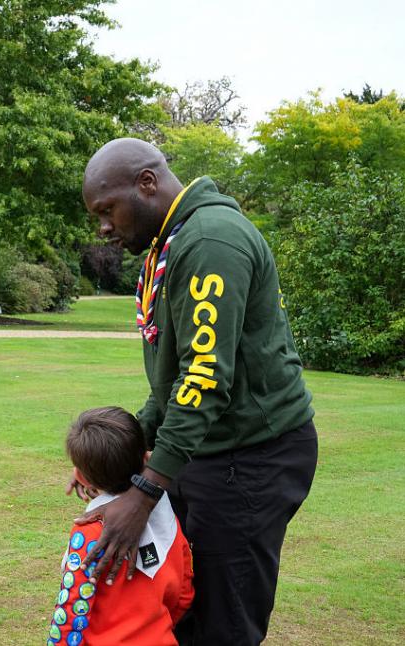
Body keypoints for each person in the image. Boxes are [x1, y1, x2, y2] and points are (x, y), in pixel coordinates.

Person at [76, 138, 317, 645]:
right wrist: (121, 451)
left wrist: (145, 493)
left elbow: (204, 380)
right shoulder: (175, 241)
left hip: (249, 457)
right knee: (182, 609)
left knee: (222, 625)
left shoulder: (210, 241)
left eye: (106, 210)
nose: (103, 227)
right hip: (210, 453)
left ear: (146, 183)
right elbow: (173, 381)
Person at [49, 407, 193, 646]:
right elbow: (184, 590)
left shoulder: (89, 531)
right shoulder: (165, 517)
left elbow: (72, 609)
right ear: (147, 459)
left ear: (81, 478)